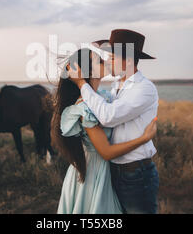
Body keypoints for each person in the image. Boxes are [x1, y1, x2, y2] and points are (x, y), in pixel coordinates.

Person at [52, 47, 158, 214]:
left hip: (106, 172)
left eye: (109, 57)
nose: (107, 61)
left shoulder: (101, 97)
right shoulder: (85, 107)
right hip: (93, 175)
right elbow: (107, 152)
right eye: (100, 61)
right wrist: (144, 138)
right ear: (87, 71)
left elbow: (110, 112)